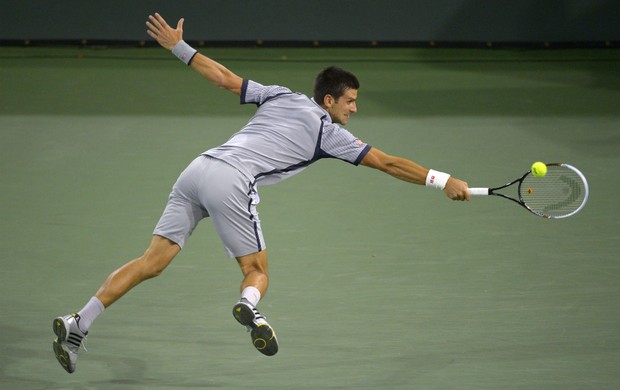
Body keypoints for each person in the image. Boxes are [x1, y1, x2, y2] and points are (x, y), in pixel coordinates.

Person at [52, 12, 471, 374]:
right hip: (232, 181)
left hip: (197, 169)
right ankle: (249, 308)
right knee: (257, 272)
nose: (354, 110)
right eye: (350, 102)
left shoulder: (282, 95)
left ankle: (79, 322)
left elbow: (225, 80)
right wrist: (443, 179)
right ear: (330, 100)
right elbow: (388, 163)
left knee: (152, 262)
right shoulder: (330, 132)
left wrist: (180, 47)